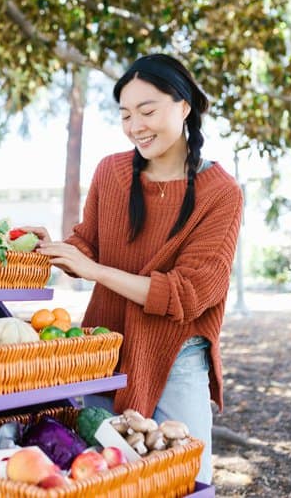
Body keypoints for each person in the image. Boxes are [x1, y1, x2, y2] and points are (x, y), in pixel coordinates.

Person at [23, 53, 243, 484]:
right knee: (100, 481)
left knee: (185, 482)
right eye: (125, 114)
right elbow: (88, 243)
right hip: (105, 347)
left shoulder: (221, 193)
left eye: (147, 110)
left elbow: (189, 294)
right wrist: (51, 246)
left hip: (174, 356)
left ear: (184, 107)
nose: (135, 125)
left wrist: (95, 270)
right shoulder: (112, 172)